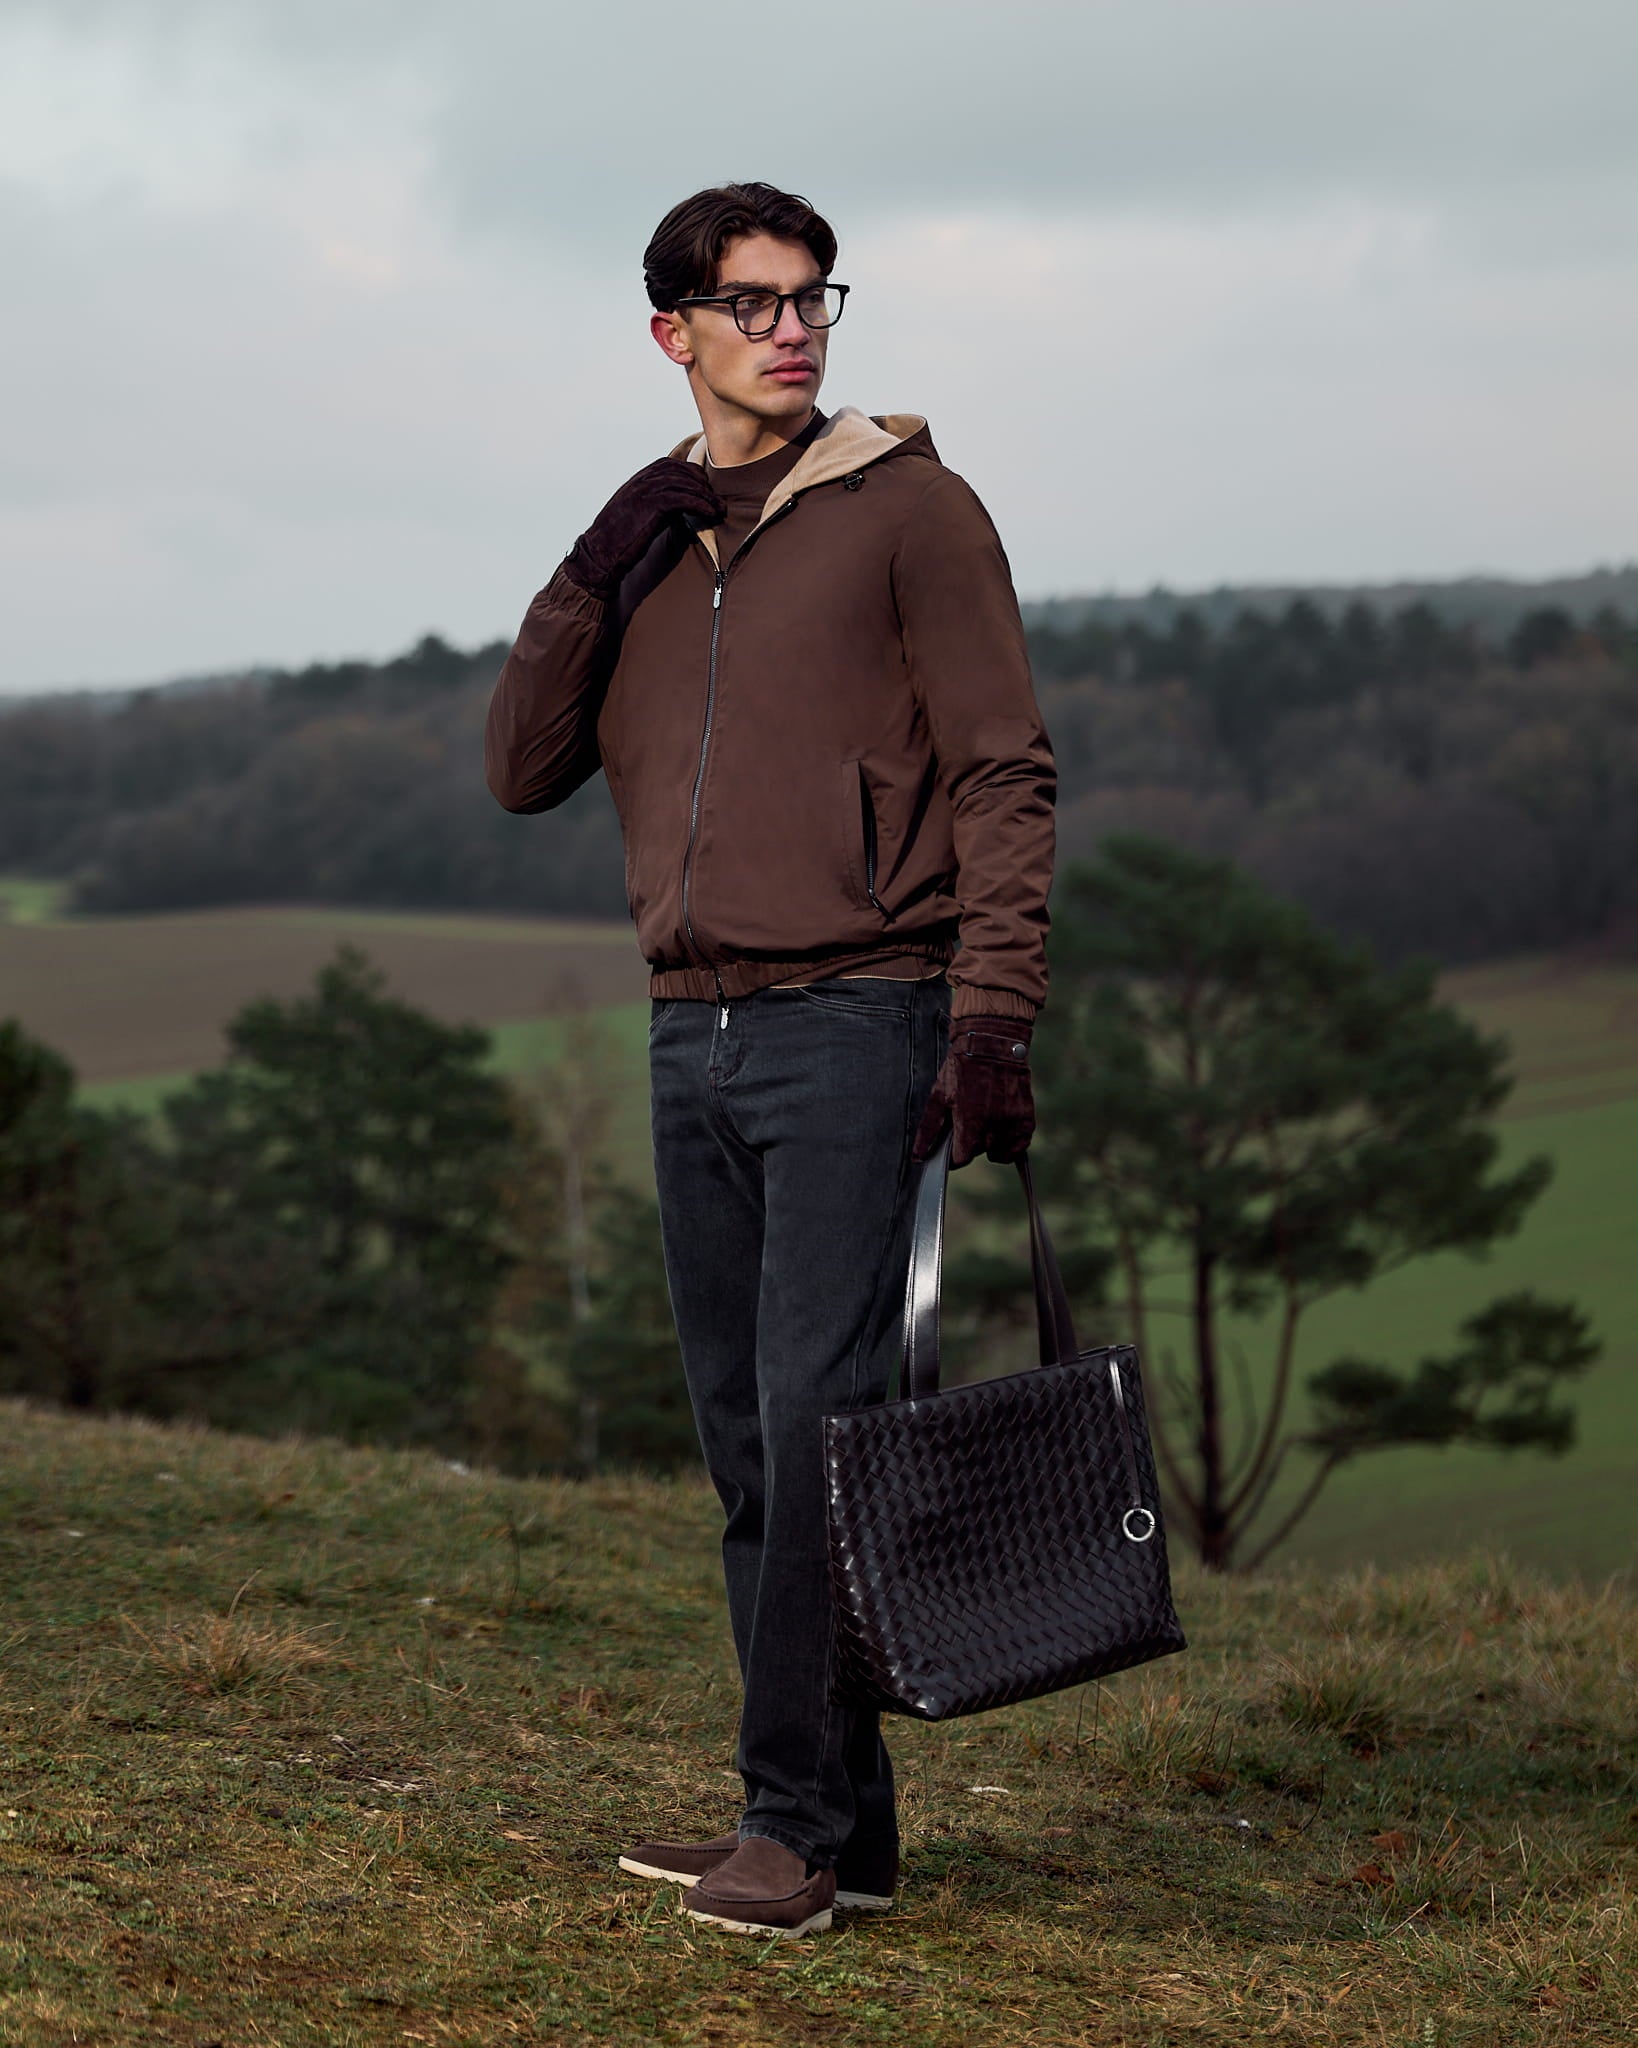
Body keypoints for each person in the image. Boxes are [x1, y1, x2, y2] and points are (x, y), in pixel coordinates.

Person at [485, 181, 1055, 1939]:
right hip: (687, 1036)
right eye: (754, 302)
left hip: (857, 1021)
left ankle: (785, 1835)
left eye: (814, 298)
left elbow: (1004, 771)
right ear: (674, 331)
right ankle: (851, 1837)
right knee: (753, 1451)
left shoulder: (913, 512)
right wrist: (601, 552)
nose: (794, 327)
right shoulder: (650, 548)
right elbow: (519, 765)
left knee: (819, 1433)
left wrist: (988, 1016)